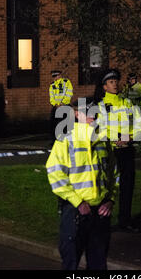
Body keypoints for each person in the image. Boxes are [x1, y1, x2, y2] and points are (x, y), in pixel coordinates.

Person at [46, 97, 118, 270]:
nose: (92, 116)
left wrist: (110, 200)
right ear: (77, 114)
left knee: (99, 263)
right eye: (88, 112)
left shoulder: (103, 141)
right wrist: (78, 202)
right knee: (71, 263)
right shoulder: (65, 140)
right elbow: (55, 174)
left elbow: (114, 175)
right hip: (75, 212)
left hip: (100, 212)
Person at [95, 69, 141, 233]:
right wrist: (114, 138)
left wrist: (129, 137)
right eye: (111, 82)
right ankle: (103, 221)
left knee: (127, 186)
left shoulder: (127, 103)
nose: (115, 84)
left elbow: (139, 124)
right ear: (105, 87)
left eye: (116, 81)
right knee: (108, 186)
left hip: (127, 150)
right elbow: (99, 129)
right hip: (111, 151)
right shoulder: (101, 107)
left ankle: (125, 220)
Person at [49, 70, 74, 144]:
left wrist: (63, 103)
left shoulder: (66, 82)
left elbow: (69, 93)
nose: (55, 78)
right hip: (56, 106)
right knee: (53, 123)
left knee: (66, 124)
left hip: (65, 105)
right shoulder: (52, 85)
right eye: (54, 76)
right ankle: (55, 140)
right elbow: (51, 97)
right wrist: (56, 104)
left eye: (56, 76)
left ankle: (66, 140)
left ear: (60, 75)